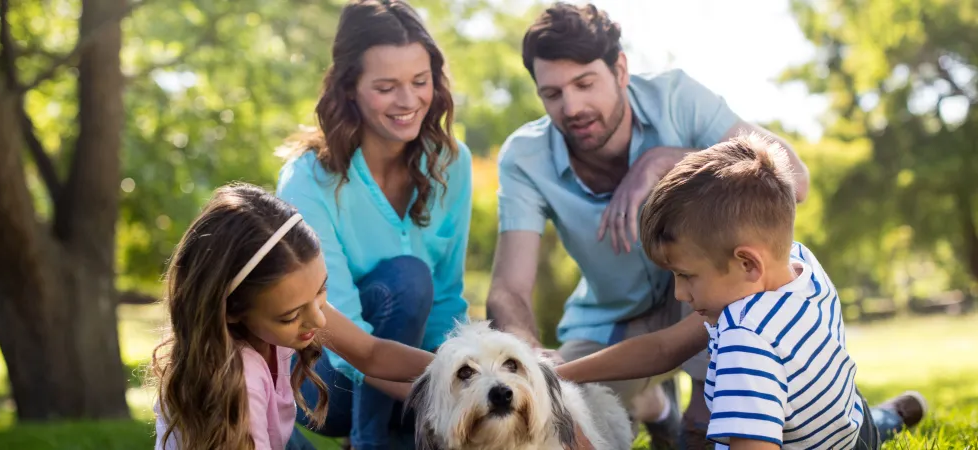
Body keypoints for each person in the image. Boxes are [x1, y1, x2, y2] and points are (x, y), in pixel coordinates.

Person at [484, 2, 811, 448]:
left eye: (584, 83)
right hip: (613, 319)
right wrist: (528, 355)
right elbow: (509, 289)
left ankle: (692, 401)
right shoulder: (524, 157)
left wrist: (663, 161)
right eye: (553, 94)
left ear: (619, 69)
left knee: (707, 432)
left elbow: (794, 178)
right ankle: (654, 402)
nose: (572, 107)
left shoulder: (678, 97)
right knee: (563, 424)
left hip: (711, 300)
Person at [555, 134, 928, 449]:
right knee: (868, 427)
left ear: (748, 264)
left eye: (686, 275)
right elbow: (662, 348)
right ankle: (892, 415)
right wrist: (558, 374)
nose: (680, 294)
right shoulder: (799, 264)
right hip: (849, 426)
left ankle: (889, 416)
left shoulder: (745, 342)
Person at [273, 1, 472, 448]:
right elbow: (330, 324)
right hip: (324, 379)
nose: (408, 101)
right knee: (407, 276)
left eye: (420, 82)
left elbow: (447, 302)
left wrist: (463, 384)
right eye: (386, 87)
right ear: (349, 90)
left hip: (414, 374)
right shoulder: (308, 180)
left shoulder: (451, 165)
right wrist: (449, 402)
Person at [150, 183, 438, 450]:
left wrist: (461, 366)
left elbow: (370, 353)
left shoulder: (293, 308)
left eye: (322, 290)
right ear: (233, 311)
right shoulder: (240, 381)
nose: (320, 320)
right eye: (290, 317)